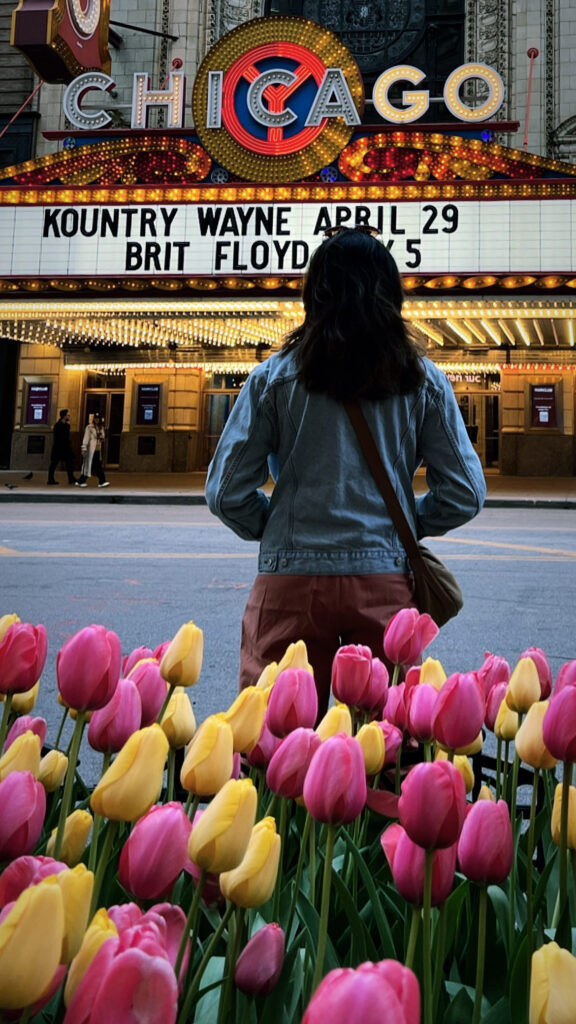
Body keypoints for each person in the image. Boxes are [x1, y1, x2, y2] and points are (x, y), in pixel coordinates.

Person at [205, 226, 486, 716]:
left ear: (315, 293)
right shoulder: (423, 379)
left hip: (290, 579)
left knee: (278, 745)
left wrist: (272, 526)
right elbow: (465, 492)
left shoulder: (273, 377)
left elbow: (225, 491)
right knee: (384, 743)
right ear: (390, 294)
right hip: (385, 580)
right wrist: (404, 523)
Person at [76, 413, 110, 488]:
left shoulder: (100, 428)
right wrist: (84, 447)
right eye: (95, 418)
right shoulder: (89, 427)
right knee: (93, 466)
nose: (97, 420)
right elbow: (86, 438)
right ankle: (102, 481)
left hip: (97, 449)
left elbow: (103, 437)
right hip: (90, 450)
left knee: (93, 466)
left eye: (98, 418)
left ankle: (81, 480)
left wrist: (101, 436)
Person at [47, 409, 77, 485]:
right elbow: (57, 437)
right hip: (59, 447)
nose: (69, 417)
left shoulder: (67, 425)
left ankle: (71, 478)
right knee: (54, 463)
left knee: (69, 463)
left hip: (66, 447)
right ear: (64, 416)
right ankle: (50, 479)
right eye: (68, 415)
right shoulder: (57, 425)